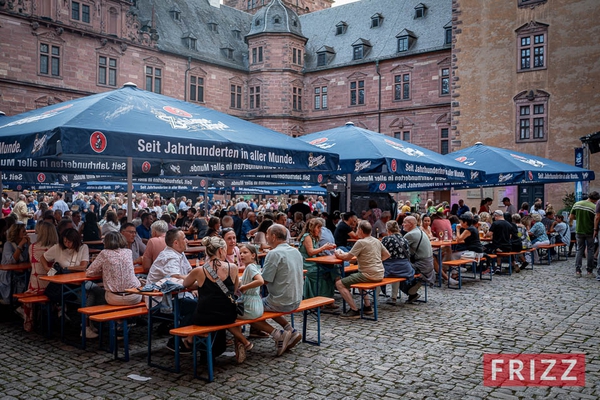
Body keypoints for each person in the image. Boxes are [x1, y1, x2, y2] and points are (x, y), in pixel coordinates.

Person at [249, 224, 303, 355]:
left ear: (273, 236)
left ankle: (278, 334)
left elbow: (265, 280)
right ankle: (291, 329)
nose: (266, 237)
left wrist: (249, 278)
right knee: (265, 302)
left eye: (267, 234)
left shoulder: (274, 253)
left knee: (248, 309)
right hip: (296, 299)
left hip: (281, 301)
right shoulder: (295, 251)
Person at [84, 232, 143, 338]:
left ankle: (106, 325)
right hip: (135, 296)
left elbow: (89, 272)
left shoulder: (104, 253)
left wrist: (104, 271)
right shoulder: (128, 252)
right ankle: (123, 322)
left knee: (97, 292)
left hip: (114, 298)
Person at [147, 229, 197, 350]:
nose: (187, 240)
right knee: (197, 307)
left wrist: (194, 283)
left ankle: (189, 339)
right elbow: (175, 278)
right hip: (159, 301)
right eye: (184, 238)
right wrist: (197, 280)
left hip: (174, 297)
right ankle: (177, 341)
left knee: (201, 305)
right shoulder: (169, 256)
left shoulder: (179, 253)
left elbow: (189, 272)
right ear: (176, 243)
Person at [334, 221, 389, 318]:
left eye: (357, 229)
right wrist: (375, 261)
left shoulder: (361, 242)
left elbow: (348, 257)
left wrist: (338, 255)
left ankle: (354, 310)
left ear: (360, 230)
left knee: (339, 284)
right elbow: (387, 255)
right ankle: (367, 307)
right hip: (380, 273)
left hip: (368, 274)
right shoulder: (376, 240)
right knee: (359, 278)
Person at [21, 221, 58, 331]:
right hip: (52, 286)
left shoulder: (32, 247)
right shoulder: (56, 248)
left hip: (35, 286)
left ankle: (29, 322)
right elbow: (56, 268)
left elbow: (32, 264)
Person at [382, 220, 421, 305]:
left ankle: (377, 297)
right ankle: (393, 297)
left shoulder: (386, 239)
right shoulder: (404, 239)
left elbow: (381, 253)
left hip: (391, 269)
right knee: (396, 273)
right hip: (405, 269)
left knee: (379, 273)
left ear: (388, 230)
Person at [299, 219, 338, 301]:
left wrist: (326, 249)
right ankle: (319, 299)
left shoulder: (314, 237)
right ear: (312, 228)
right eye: (318, 227)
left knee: (331, 272)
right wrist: (324, 248)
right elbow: (310, 252)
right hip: (307, 264)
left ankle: (328, 299)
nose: (320, 230)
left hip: (314, 262)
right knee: (323, 274)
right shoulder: (307, 237)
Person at [0, 223, 31, 304]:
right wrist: (20, 245)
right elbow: (12, 260)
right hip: (9, 274)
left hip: (21, 272)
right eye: (23, 231)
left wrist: (30, 246)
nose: (26, 233)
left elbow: (30, 259)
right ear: (17, 233)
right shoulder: (8, 245)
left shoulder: (26, 245)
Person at [570, 192, 599, 277]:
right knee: (590, 250)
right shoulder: (594, 207)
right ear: (595, 199)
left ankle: (578, 271)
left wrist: (578, 218)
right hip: (590, 231)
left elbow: (571, 217)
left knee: (579, 249)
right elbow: (596, 219)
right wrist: (595, 229)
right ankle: (589, 271)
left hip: (579, 230)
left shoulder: (577, 204)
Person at [402, 216, 436, 285]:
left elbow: (400, 250)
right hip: (429, 265)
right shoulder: (420, 231)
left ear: (411, 224)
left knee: (396, 268)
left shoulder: (410, 235)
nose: (402, 224)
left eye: (404, 222)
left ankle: (409, 289)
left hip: (421, 266)